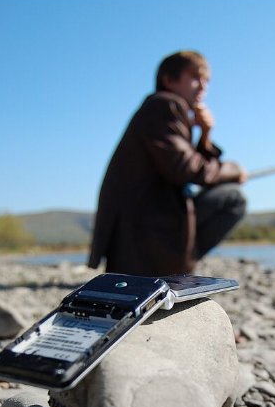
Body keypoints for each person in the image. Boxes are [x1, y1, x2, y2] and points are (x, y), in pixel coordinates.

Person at [88, 51, 247, 276]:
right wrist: (234, 169)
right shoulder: (165, 104)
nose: (202, 86)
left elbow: (188, 168)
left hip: (138, 232)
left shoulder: (159, 108)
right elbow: (185, 169)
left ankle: (176, 265)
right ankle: (175, 268)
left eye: (207, 81)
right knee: (233, 198)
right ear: (169, 80)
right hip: (143, 231)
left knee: (227, 194)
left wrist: (205, 135)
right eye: (195, 77)